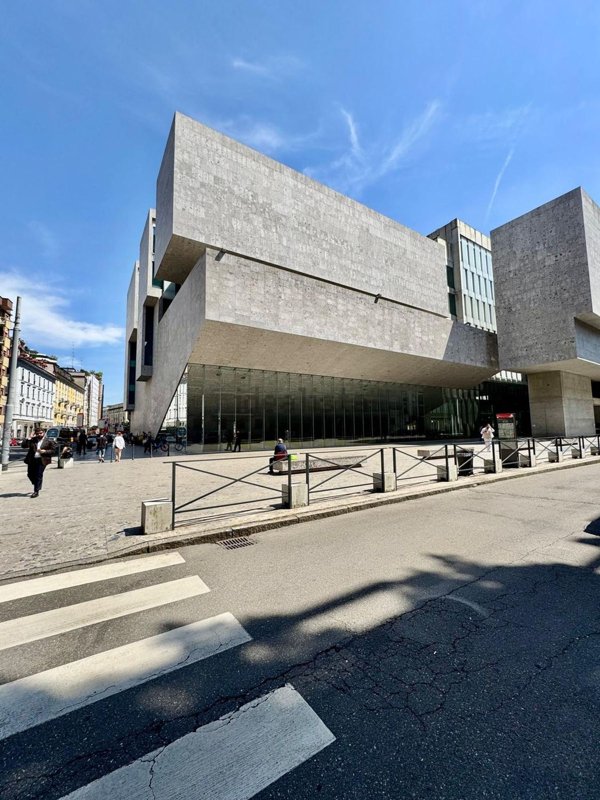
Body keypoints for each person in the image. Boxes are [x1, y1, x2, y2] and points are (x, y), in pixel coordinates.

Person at [24, 428, 55, 498]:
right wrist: (29, 437)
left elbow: (53, 451)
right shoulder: (33, 439)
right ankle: (36, 484)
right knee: (30, 474)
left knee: (38, 475)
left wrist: (45, 451)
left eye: (40, 433)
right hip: (32, 460)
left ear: (44, 433)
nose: (39, 435)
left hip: (42, 460)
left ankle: (36, 491)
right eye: (37, 433)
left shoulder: (49, 440)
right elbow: (24, 445)